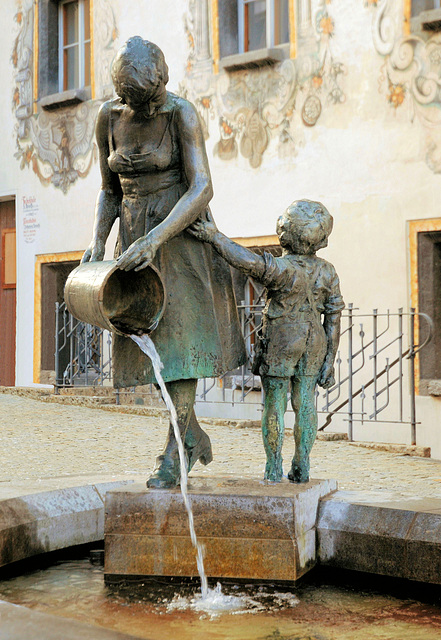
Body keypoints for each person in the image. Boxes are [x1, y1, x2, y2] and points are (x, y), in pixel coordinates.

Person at [82, 36, 246, 488]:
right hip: (135, 238)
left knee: (176, 351)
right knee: (146, 345)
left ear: (162, 86)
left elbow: (202, 188)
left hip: (179, 236)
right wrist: (99, 243)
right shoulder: (108, 118)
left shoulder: (182, 114)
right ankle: (191, 434)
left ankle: (176, 451)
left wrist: (156, 238)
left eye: (151, 100)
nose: (146, 110)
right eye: (136, 103)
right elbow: (109, 189)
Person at [190, 199, 344, 483]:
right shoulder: (328, 271)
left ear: (286, 233)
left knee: (274, 404)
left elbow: (247, 261)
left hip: (283, 336)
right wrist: (330, 360)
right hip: (315, 340)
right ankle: (302, 465)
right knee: (306, 403)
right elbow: (333, 318)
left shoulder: (283, 269)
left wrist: (214, 236)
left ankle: (273, 466)